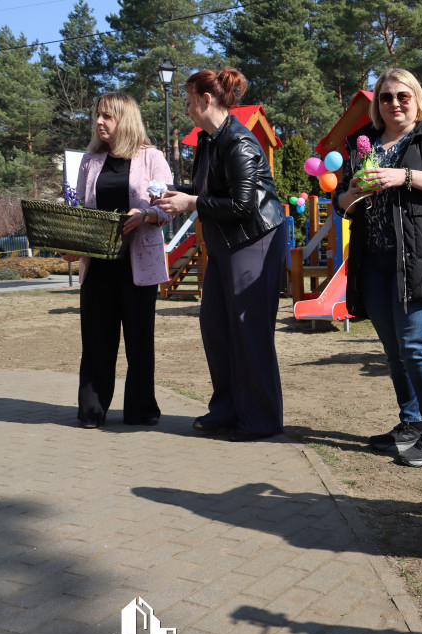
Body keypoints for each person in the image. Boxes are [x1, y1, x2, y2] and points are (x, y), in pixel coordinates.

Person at [332, 68, 422, 467]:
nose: (394, 103)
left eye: (402, 96)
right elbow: (340, 200)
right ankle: (410, 424)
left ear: (416, 98)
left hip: (417, 258)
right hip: (372, 260)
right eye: (386, 97)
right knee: (394, 350)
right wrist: (350, 194)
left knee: (415, 344)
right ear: (377, 104)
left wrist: (403, 176)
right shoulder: (364, 145)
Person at [154, 68, 286, 442]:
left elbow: (243, 205)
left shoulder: (239, 142)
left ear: (206, 100)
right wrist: (173, 192)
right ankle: (227, 409)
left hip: (255, 241)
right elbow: (205, 189)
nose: (186, 109)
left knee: (249, 332)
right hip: (226, 245)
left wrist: (191, 201)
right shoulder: (209, 141)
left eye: (189, 101)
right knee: (215, 326)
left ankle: (261, 419)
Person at [66, 92, 172, 429]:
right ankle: (92, 410)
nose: (99, 122)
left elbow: (169, 207)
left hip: (138, 264)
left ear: (124, 119)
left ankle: (141, 411)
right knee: (96, 339)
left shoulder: (152, 158)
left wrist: (146, 215)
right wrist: (72, 241)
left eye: (107, 116)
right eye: (98, 115)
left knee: (139, 341)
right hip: (98, 263)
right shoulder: (90, 161)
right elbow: (81, 209)